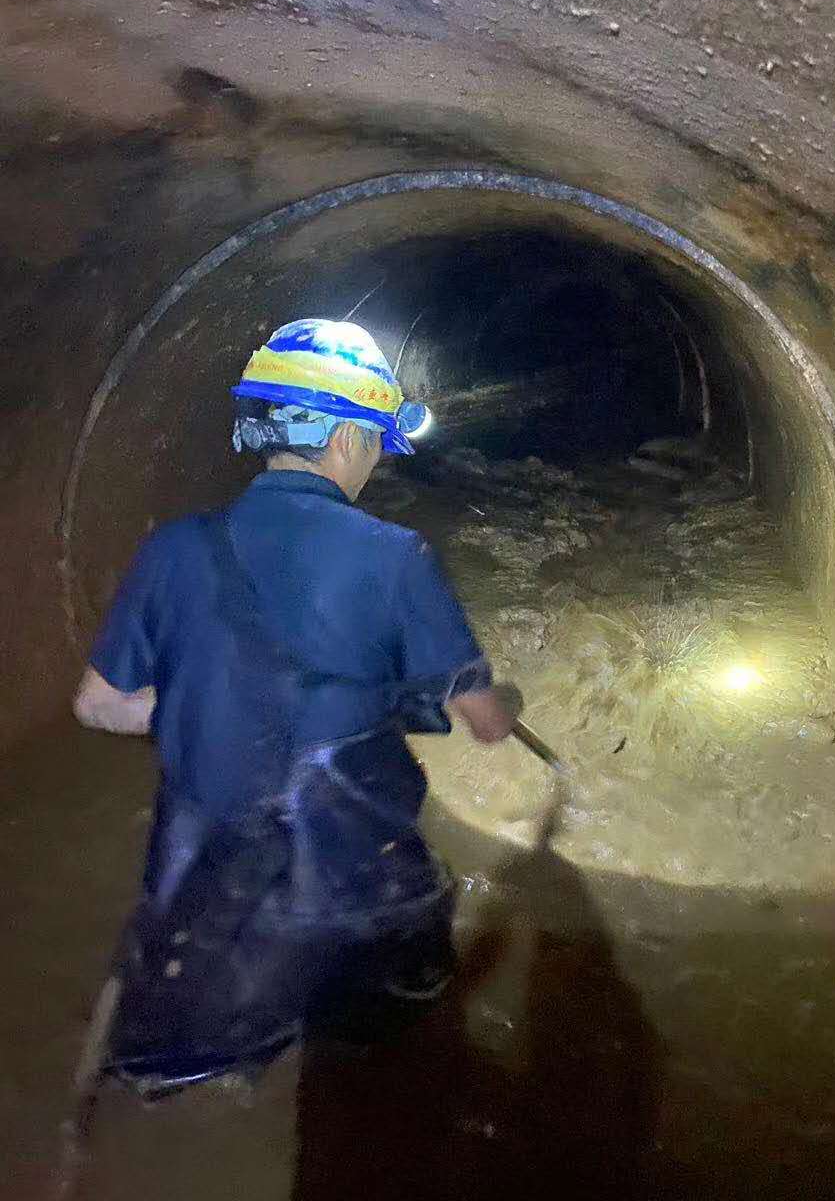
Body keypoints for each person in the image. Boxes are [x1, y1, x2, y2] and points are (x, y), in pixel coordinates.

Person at [72, 317, 522, 1096]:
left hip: (205, 867)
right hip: (347, 877)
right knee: (414, 971)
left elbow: (99, 705)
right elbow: (483, 724)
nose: (376, 461)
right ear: (346, 439)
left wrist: (206, 706)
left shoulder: (175, 548)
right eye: (377, 441)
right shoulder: (395, 556)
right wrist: (503, 703)